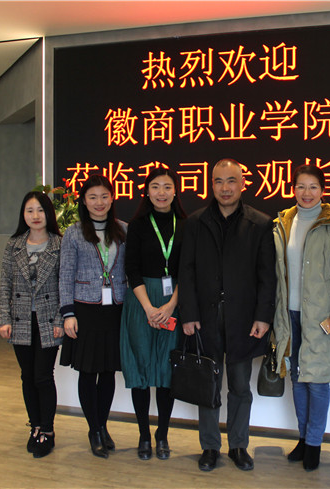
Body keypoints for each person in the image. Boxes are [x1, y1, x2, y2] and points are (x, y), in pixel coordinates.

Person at [178, 158, 276, 472]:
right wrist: (188, 313)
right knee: (207, 386)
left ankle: (238, 445)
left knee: (240, 387)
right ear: (211, 185)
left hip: (243, 320)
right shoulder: (195, 222)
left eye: (231, 180)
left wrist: (263, 316)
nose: (225, 188)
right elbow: (186, 272)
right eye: (218, 181)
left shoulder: (260, 224)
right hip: (204, 319)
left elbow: (267, 276)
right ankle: (209, 447)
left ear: (242, 184)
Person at [272, 165, 330, 471]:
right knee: (297, 379)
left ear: (323, 190)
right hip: (288, 315)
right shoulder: (283, 222)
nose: (307, 193)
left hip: (320, 317)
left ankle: (315, 444)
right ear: (293, 189)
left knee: (317, 382)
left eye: (313, 187)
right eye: (301, 186)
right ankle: (304, 438)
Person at [59, 174, 128, 459]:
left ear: (112, 198)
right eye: (92, 197)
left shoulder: (123, 230)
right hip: (85, 310)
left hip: (114, 310)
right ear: (84, 201)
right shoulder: (74, 233)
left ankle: (103, 425)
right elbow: (65, 274)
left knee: (108, 372)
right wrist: (68, 313)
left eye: (104, 196)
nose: (99, 202)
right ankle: (93, 430)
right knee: (88, 372)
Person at [120, 168, 186, 461]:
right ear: (147, 192)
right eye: (155, 186)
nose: (161, 192)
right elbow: (131, 269)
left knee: (166, 372)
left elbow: (188, 269)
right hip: (141, 303)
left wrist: (170, 306)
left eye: (167, 187)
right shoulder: (137, 226)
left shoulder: (186, 225)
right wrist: (148, 307)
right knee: (141, 370)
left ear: (175, 191)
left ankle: (162, 435)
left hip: (173, 302)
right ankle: (144, 435)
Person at [0, 191, 63, 458]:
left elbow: (64, 286)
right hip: (21, 319)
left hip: (49, 320)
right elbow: (5, 283)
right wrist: (4, 318)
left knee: (43, 376)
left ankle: (47, 430)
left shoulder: (60, 244)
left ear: (49, 213)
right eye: (30, 210)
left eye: (40, 210)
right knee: (27, 376)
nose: (35, 216)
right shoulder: (14, 245)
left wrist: (60, 319)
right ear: (23, 215)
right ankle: (34, 426)